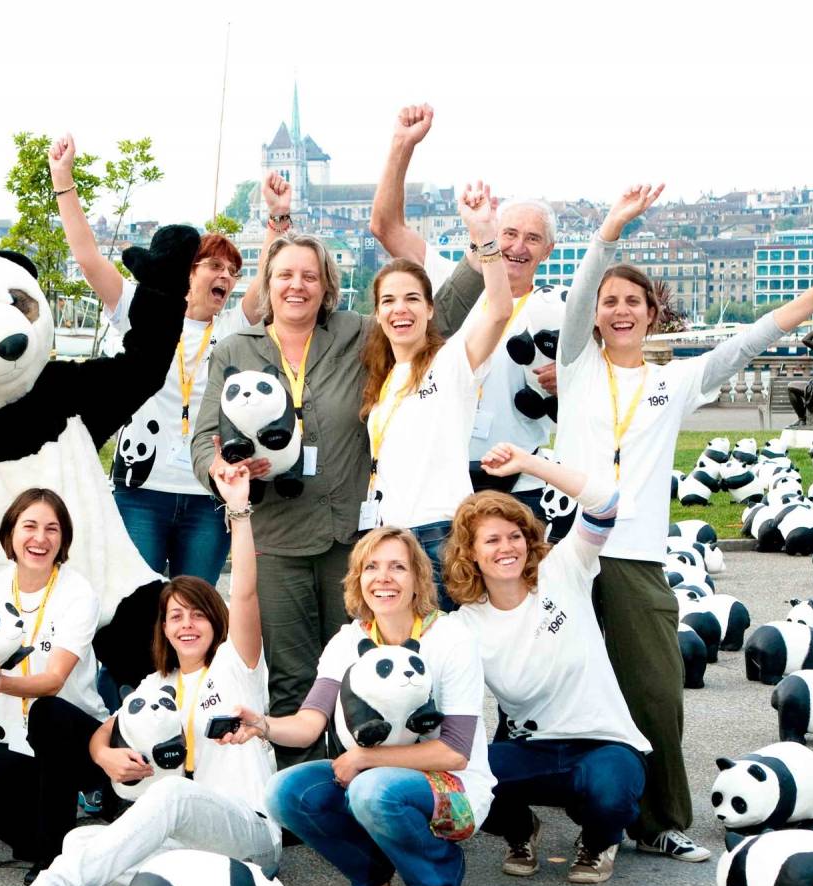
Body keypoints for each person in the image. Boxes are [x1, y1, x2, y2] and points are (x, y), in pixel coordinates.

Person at [554, 185, 813, 862]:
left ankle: (659, 820)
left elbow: (761, 333)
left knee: (655, 696)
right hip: (570, 555)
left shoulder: (676, 380)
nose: (617, 310)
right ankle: (559, 818)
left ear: (650, 313)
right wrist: (607, 232)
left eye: (631, 302)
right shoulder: (575, 368)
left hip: (633, 556)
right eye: (610, 302)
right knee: (559, 690)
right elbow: (579, 296)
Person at [190, 225, 485, 768]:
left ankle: (363, 781)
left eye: (309, 276)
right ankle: (300, 793)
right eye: (285, 276)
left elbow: (428, 315)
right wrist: (226, 469)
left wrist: (477, 255)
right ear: (269, 284)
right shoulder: (237, 348)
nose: (296, 286)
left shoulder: (357, 333)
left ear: (327, 286)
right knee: (292, 673)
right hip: (276, 536)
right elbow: (203, 439)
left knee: (363, 672)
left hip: (351, 537)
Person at [0, 442, 278, 886]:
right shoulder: (155, 681)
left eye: (197, 615)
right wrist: (103, 755)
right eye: (175, 616)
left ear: (216, 621)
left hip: (248, 833)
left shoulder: (234, 665)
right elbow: (107, 728)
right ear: (162, 628)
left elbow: (244, 592)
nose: (186, 625)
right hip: (189, 843)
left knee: (169, 797)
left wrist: (239, 511)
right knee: (79, 839)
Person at [50, 135, 276, 585]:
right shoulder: (143, 309)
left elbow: (265, 283)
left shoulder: (230, 329)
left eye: (232, 272)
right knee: (134, 608)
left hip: (206, 495)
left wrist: (276, 220)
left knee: (196, 608)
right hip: (140, 494)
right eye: (215, 266)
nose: (227, 277)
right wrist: (64, 181)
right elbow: (88, 259)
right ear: (188, 270)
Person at [248, 525, 494, 886]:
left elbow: (454, 752)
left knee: (373, 789)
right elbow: (309, 723)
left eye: (398, 567)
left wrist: (365, 758)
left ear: (417, 578)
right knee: (283, 791)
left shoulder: (451, 638)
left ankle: (437, 874)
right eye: (371, 567)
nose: (383, 578)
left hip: (455, 788)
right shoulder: (348, 641)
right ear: (357, 579)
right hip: (369, 779)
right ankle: (371, 869)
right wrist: (262, 725)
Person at [442, 444, 648, 884]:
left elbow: (607, 503)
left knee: (611, 792)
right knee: (461, 774)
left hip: (602, 744)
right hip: (533, 750)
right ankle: (521, 831)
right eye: (492, 540)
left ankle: (597, 842)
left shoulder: (564, 570)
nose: (507, 547)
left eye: (515, 535)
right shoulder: (464, 624)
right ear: (471, 554)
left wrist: (529, 464)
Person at [370, 104, 565, 513]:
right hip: (445, 475)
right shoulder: (453, 277)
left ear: (548, 250)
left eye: (532, 238)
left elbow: (608, 374)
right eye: (508, 233)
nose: (516, 246)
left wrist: (570, 380)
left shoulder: (560, 309)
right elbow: (386, 226)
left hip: (523, 472)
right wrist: (402, 145)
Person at [359, 180, 513, 608]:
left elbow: (500, 311)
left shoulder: (450, 361)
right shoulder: (384, 378)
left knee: (447, 653)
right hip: (388, 537)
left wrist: (485, 236)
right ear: (377, 313)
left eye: (412, 299)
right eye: (388, 301)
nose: (399, 309)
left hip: (440, 533)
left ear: (430, 309)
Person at [0, 489, 106, 877]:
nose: (40, 538)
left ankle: (52, 859)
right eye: (29, 526)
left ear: (63, 539)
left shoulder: (78, 593)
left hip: (76, 734)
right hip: (15, 737)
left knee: (48, 714)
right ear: (10, 534)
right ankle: (51, 841)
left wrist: (3, 686)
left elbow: (53, 681)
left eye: (52, 529)